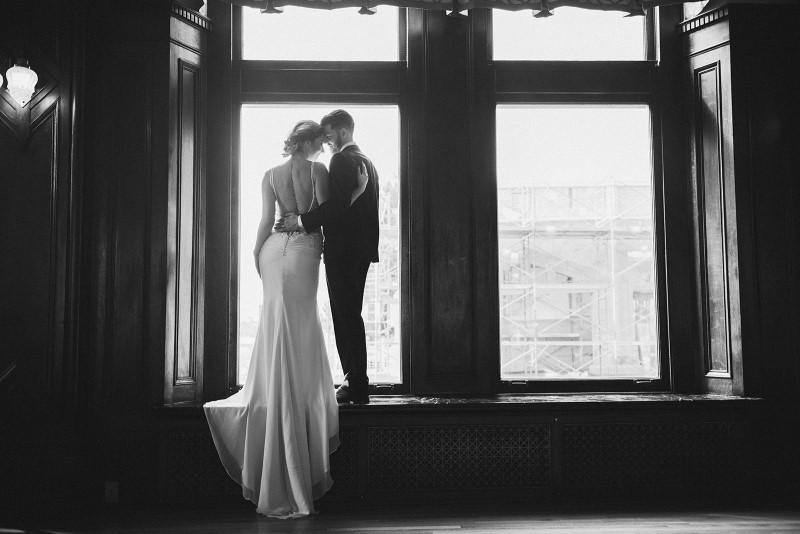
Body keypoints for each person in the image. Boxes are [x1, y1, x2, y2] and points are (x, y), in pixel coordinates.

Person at [203, 120, 368, 519]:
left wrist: (256, 253)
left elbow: (265, 220)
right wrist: (357, 194)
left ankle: (274, 390)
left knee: (274, 319)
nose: (322, 146)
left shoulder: (270, 175)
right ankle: (299, 394)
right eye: (319, 141)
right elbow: (325, 215)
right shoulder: (318, 171)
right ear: (310, 142)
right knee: (302, 319)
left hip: (273, 249)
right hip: (305, 249)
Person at [278, 109, 380, 405]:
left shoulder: (340, 159)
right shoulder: (368, 162)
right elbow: (359, 210)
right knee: (351, 314)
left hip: (343, 251)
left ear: (343, 133)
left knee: (344, 316)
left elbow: (335, 208)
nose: (327, 141)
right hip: (360, 251)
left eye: (329, 135)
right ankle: (356, 380)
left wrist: (300, 221)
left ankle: (356, 383)